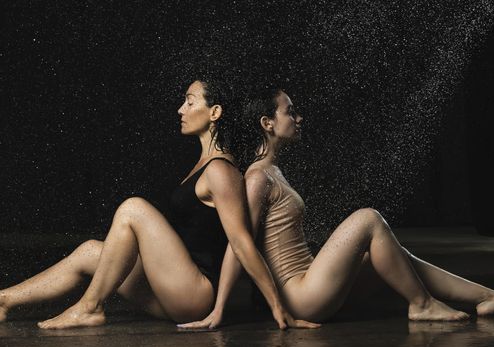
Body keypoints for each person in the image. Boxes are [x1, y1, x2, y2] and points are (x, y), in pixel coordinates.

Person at [0, 79, 319, 330]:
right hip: (175, 283)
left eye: (190, 101)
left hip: (196, 292)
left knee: (132, 209)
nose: (181, 109)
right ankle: (4, 299)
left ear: (215, 112)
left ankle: (90, 307)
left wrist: (278, 307)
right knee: (89, 252)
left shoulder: (221, 171)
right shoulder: (203, 164)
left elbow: (241, 243)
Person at [181, 87, 494, 328]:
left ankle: (486, 296)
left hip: (310, 280)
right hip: (302, 296)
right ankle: (422, 304)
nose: (298, 118)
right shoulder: (256, 178)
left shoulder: (272, 171)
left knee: (390, 254)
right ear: (268, 123)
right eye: (290, 112)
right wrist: (219, 309)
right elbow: (240, 245)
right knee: (368, 219)